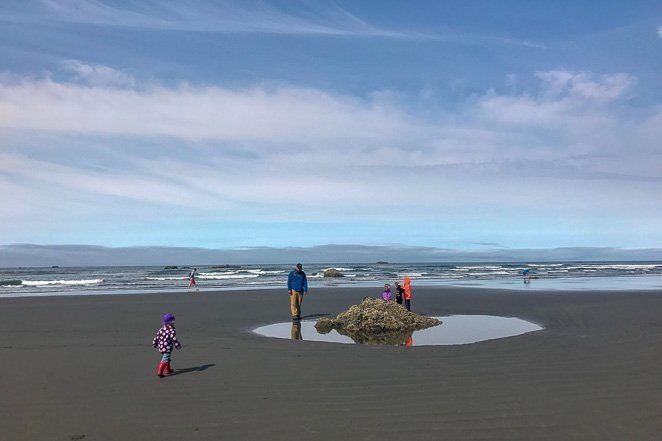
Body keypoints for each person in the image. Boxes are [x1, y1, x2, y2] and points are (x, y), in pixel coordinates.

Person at [152, 313, 182, 378]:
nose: (173, 322)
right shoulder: (171, 330)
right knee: (165, 359)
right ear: (168, 322)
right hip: (167, 348)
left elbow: (156, 337)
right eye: (172, 321)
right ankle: (160, 372)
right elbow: (174, 339)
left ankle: (168, 370)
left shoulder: (161, 329)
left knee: (167, 359)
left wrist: (154, 343)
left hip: (161, 347)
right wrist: (178, 345)